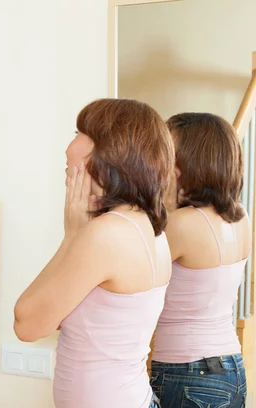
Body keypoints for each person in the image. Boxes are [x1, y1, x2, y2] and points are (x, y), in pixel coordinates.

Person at [14, 98, 175, 408]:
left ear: (106, 151)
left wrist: (71, 237)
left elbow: (26, 323)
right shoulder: (145, 225)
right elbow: (61, 316)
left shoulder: (106, 235)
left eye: (78, 132)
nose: (67, 148)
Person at [150, 113, 250, 408]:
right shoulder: (240, 217)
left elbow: (135, 274)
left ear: (189, 163)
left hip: (188, 371)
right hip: (230, 367)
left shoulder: (181, 224)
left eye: (168, 154)